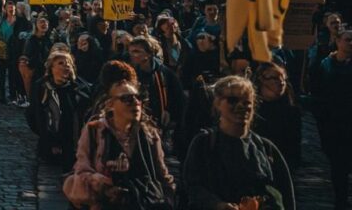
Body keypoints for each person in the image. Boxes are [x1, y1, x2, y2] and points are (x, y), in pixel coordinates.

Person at [63, 65, 175, 210]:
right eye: (126, 99)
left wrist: (169, 198)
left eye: (138, 97)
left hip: (143, 203)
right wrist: (104, 184)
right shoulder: (95, 130)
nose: (135, 102)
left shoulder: (149, 134)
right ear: (110, 104)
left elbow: (161, 174)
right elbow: (82, 170)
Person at [183, 75, 295, 210]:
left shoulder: (266, 148)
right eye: (232, 100)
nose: (241, 106)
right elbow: (193, 187)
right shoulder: (204, 144)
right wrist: (218, 205)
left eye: (247, 102)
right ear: (217, 103)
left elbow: (285, 196)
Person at [26, 50, 92, 170]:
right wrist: (48, 139)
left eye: (69, 63)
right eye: (61, 63)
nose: (66, 66)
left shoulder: (79, 88)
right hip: (50, 145)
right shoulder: (42, 87)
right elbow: (33, 115)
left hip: (74, 144)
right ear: (51, 67)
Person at [311, 27, 352, 210]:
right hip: (334, 122)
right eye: (347, 40)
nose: (350, 43)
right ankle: (340, 200)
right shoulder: (326, 64)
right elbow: (318, 90)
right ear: (338, 41)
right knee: (338, 165)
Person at [252, 62, 302, 172]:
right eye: (274, 78)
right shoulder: (251, 110)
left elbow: (294, 144)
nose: (281, 82)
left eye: (283, 78)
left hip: (283, 165)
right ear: (261, 80)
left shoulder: (292, 111)